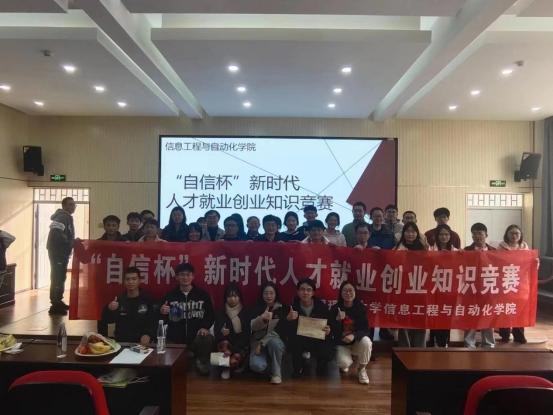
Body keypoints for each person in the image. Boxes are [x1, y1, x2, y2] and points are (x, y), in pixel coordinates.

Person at [160, 263, 215, 375]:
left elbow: (210, 315)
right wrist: (162, 312)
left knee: (208, 338)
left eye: (188, 274)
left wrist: (205, 327)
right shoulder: (170, 296)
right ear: (176, 277)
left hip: (196, 337)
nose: (185, 277)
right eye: (182, 275)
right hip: (175, 338)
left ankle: (202, 363)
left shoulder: (202, 295)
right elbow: (162, 320)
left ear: (193, 276)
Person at [287, 278, 334, 378]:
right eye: (302, 289)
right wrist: (288, 319)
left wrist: (328, 330)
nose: (305, 293)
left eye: (308, 290)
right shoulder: (292, 308)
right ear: (298, 292)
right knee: (294, 342)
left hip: (317, 339)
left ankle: (321, 368)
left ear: (313, 293)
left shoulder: (322, 307)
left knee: (326, 346)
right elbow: (287, 330)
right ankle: (298, 368)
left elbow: (330, 325)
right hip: (300, 339)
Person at [330, 281, 372, 384]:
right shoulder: (335, 308)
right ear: (341, 293)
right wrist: (337, 320)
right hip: (342, 344)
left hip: (357, 342)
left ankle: (361, 369)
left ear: (355, 292)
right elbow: (332, 332)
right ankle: (348, 360)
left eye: (350, 290)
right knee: (343, 364)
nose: (348, 293)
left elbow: (366, 330)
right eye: (345, 290)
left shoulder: (361, 308)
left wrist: (354, 335)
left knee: (366, 341)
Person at [100, 266, 155, 344]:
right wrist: (109, 309)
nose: (130, 282)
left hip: (141, 343)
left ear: (139, 281)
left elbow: (153, 321)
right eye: (127, 279)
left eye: (134, 279)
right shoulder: (119, 300)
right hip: (122, 342)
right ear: (124, 281)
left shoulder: (147, 300)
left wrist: (148, 334)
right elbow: (108, 320)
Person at [394, 223, 427, 347]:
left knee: (420, 317)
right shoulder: (397, 248)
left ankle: (419, 347)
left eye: (413, 231)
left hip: (420, 288)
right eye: (407, 231)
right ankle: (404, 348)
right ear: (403, 233)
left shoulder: (424, 248)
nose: (410, 234)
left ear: (417, 233)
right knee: (404, 316)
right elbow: (391, 266)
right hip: (404, 288)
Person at [463, 223, 495, 349]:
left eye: (480, 233)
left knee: (487, 316)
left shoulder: (494, 251)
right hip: (471, 289)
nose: (477, 236)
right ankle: (469, 343)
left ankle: (488, 343)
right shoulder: (466, 250)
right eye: (474, 233)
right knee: (471, 315)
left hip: (488, 288)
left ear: (486, 235)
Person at [249, 281, 287, 384]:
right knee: (257, 366)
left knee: (275, 342)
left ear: (276, 294)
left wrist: (262, 343)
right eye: (265, 293)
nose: (268, 296)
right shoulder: (256, 308)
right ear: (262, 294)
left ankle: (276, 374)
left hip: (274, 343)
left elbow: (280, 330)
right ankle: (273, 366)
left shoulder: (283, 309)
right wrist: (262, 318)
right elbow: (252, 327)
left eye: (271, 293)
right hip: (257, 345)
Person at [497, 225, 530, 343]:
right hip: (505, 281)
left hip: (521, 283)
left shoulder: (525, 248)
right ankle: (504, 334)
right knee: (505, 308)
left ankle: (519, 335)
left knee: (519, 309)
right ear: (507, 234)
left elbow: (530, 265)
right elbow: (496, 262)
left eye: (517, 233)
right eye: (511, 233)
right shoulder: (501, 247)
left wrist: (536, 262)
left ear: (520, 235)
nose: (514, 236)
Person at [428, 224, 457, 347]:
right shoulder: (430, 250)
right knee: (434, 314)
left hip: (449, 289)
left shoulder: (456, 251)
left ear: (450, 236)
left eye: (446, 234)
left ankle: (444, 342)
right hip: (433, 288)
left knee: (446, 315)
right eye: (441, 234)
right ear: (436, 236)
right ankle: (432, 339)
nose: (444, 237)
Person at [47, 197, 76, 315]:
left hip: (62, 252)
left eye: (74, 205)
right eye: (70, 204)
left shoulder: (67, 217)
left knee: (61, 277)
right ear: (64, 206)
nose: (73, 207)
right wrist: (69, 243)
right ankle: (55, 303)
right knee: (57, 277)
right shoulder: (62, 216)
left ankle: (58, 300)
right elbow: (55, 231)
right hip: (58, 252)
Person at [214, 283, 250, 380]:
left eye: (235, 296)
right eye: (229, 296)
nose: (233, 299)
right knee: (224, 344)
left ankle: (237, 365)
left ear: (239, 297)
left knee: (236, 357)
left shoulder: (245, 313)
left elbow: (246, 337)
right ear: (225, 298)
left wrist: (232, 350)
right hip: (224, 347)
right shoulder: (220, 313)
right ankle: (225, 369)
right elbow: (216, 334)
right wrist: (222, 333)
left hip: (239, 346)